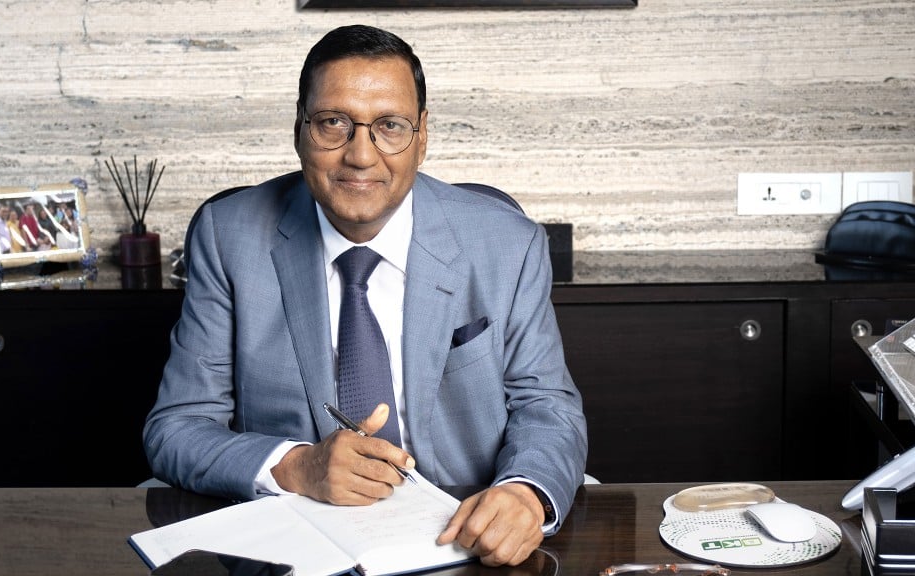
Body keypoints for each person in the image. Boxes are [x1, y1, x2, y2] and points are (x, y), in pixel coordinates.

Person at [143, 24, 587, 567]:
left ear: (422, 135)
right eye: (334, 123)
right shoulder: (228, 236)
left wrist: (524, 493)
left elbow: (547, 406)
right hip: (297, 536)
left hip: (465, 525)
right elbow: (176, 428)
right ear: (301, 130)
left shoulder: (507, 244)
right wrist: (295, 466)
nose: (360, 155)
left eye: (390, 126)